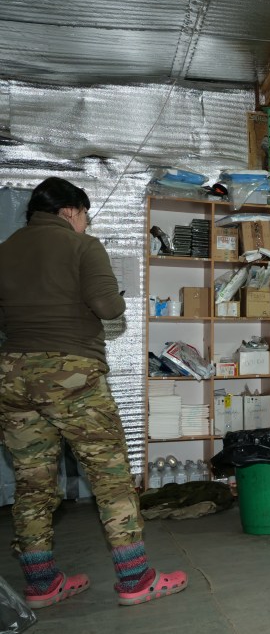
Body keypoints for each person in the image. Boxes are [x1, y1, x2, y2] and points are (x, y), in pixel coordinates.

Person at [0, 177, 187, 609]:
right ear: (70, 211)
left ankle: (42, 583)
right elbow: (110, 308)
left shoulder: (5, 250)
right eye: (85, 215)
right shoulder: (84, 247)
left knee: (32, 482)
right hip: (71, 374)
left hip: (12, 375)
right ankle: (135, 578)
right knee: (110, 475)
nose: (86, 223)